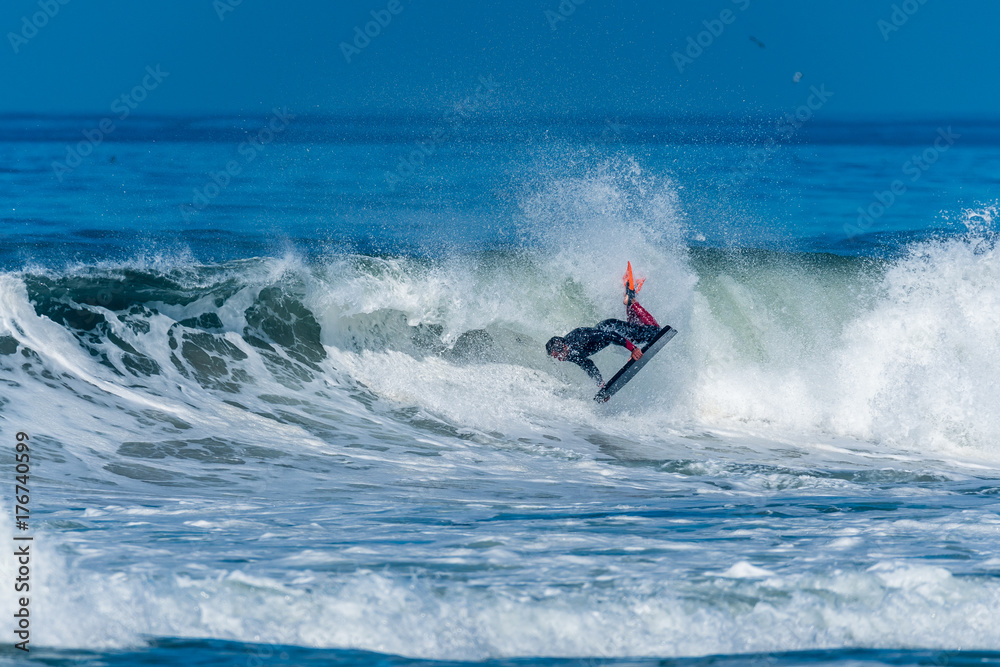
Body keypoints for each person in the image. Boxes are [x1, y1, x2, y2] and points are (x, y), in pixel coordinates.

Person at [545, 292, 661, 386]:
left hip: (612, 328)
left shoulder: (581, 338)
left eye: (557, 355)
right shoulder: (569, 354)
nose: (559, 359)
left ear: (564, 347)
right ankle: (630, 303)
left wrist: (633, 349)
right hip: (609, 336)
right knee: (637, 332)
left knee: (655, 332)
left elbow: (610, 335)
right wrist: (600, 383)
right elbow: (587, 364)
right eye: (555, 357)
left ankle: (632, 302)